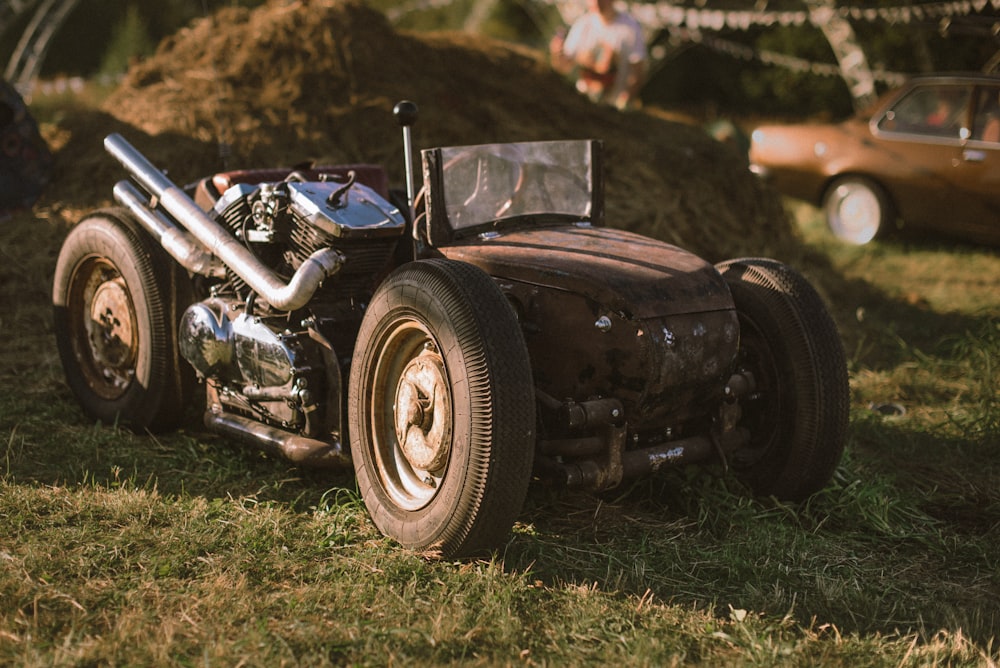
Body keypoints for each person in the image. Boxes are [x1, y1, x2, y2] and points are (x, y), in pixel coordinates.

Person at [549, 0, 647, 110]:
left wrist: (623, 103)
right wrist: (557, 53)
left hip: (612, 109)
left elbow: (638, 71)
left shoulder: (630, 27)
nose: (596, 2)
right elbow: (563, 67)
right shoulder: (583, 24)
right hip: (580, 104)